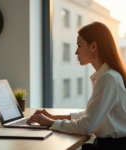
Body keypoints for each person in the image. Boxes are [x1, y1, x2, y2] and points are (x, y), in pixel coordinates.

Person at [26, 22, 126, 150]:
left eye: (79, 46)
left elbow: (87, 126)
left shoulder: (108, 78)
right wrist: (53, 117)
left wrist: (50, 122)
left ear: (93, 46)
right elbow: (89, 114)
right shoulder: (106, 76)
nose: (75, 52)